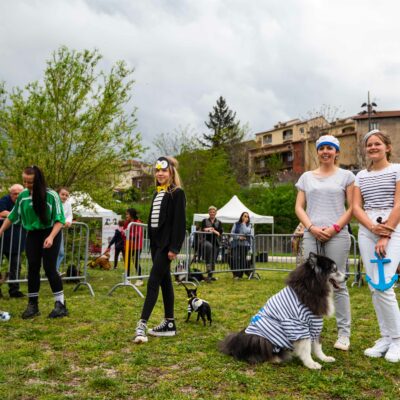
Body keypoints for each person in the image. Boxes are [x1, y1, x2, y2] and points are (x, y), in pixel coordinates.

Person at [295, 135, 354, 351]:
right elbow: (299, 207)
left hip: (337, 235)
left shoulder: (346, 176)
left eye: (330, 148)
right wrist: (310, 227)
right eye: (322, 148)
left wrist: (335, 228)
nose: (326, 151)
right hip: (312, 234)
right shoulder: (306, 177)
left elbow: (352, 207)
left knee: (337, 283)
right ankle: (310, 332)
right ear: (317, 152)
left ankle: (344, 334)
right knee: (311, 284)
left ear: (336, 152)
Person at [353, 129, 400, 363]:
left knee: (385, 285)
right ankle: (385, 337)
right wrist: (372, 228)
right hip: (367, 229)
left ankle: (398, 340)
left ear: (387, 147)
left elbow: (399, 203)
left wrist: (386, 233)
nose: (373, 148)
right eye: (369, 145)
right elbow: (356, 207)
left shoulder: (397, 170)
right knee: (374, 286)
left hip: (392, 227)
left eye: (377, 144)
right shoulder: (360, 176)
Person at [0, 166, 68, 319]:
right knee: (32, 268)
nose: (26, 184)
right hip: (32, 234)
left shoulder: (51, 195)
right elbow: (12, 216)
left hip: (51, 232)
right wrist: (1, 230)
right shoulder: (23, 196)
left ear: (37, 180)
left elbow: (60, 220)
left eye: (29, 182)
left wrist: (50, 237)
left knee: (50, 268)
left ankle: (60, 304)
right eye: (24, 180)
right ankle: (33, 305)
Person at [134, 156, 186, 344]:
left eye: (163, 170)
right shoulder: (157, 194)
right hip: (156, 246)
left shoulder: (177, 193)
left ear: (171, 172)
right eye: (157, 171)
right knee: (165, 283)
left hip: (166, 247)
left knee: (153, 282)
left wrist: (174, 247)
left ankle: (142, 324)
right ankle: (169, 323)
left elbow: (179, 223)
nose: (160, 174)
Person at [0, 184, 26, 298]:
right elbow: (2, 212)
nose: (17, 195)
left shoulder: (25, 201)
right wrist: (17, 215)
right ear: (10, 194)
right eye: (14, 194)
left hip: (17, 240)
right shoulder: (4, 200)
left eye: (19, 193)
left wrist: (11, 215)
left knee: (16, 266)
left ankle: (14, 290)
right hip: (2, 239)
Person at [201, 206, 223, 281]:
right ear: (208, 212)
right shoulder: (204, 221)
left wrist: (213, 231)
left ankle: (210, 276)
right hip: (206, 241)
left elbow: (219, 233)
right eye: (210, 212)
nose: (212, 213)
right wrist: (209, 229)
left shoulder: (219, 222)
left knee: (213, 260)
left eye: (213, 212)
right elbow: (203, 229)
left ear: (216, 213)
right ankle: (208, 268)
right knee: (208, 253)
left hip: (216, 242)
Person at [124, 208, 144, 286]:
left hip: (137, 246)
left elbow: (137, 235)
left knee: (135, 262)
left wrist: (128, 233)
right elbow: (124, 232)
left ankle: (140, 279)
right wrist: (124, 232)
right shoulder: (127, 223)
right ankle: (127, 279)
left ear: (131, 215)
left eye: (127, 214)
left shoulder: (137, 222)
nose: (126, 216)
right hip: (129, 246)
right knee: (127, 261)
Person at [230, 212, 253, 279]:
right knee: (235, 259)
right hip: (236, 244)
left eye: (247, 216)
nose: (246, 217)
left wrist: (243, 224)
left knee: (243, 260)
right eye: (244, 216)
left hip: (245, 245)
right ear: (241, 216)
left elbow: (246, 232)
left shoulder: (249, 225)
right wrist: (238, 237)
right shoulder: (236, 224)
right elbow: (232, 233)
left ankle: (241, 274)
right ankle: (236, 274)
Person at [56, 187, 73, 272]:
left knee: (61, 252)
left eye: (66, 195)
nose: (64, 196)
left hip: (59, 230)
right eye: (62, 194)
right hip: (49, 229)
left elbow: (70, 215)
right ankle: (51, 271)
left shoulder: (68, 204)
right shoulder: (53, 202)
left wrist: (68, 221)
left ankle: (55, 270)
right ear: (58, 194)